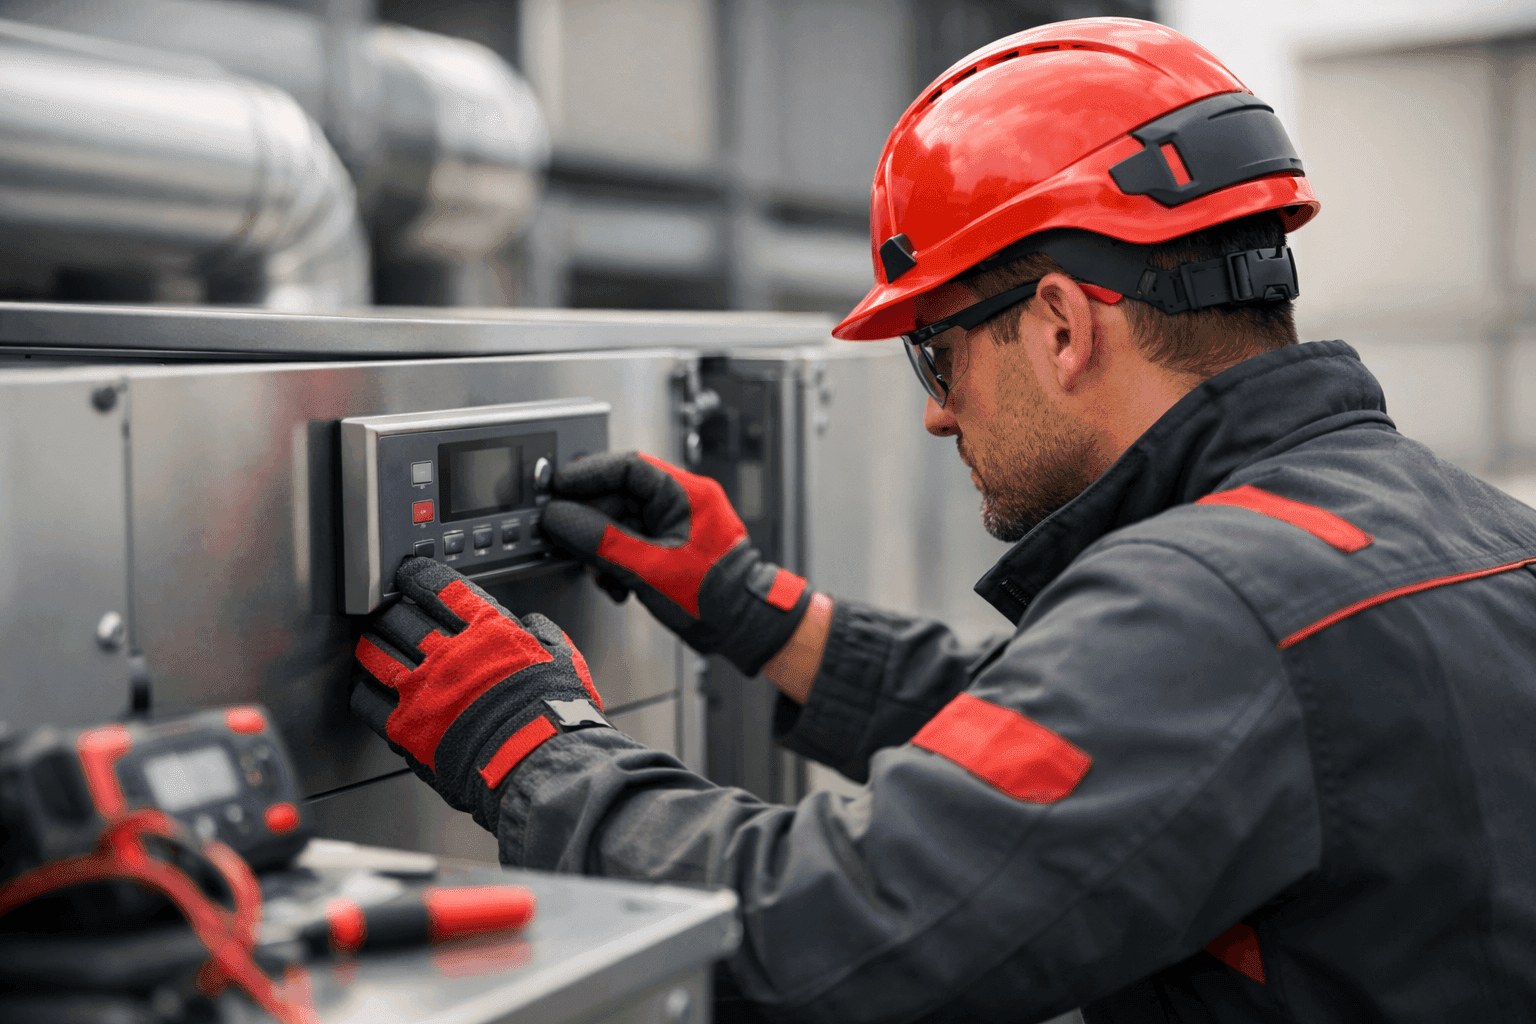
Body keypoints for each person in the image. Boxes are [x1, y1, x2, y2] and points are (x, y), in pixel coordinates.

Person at [350, 18, 1536, 1023]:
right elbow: (1089, 753)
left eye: (937, 353)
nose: (935, 416)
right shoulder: (1454, 524)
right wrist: (758, 610)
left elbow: (818, 934)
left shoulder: (1217, 604)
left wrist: (533, 744)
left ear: (1064, 325)